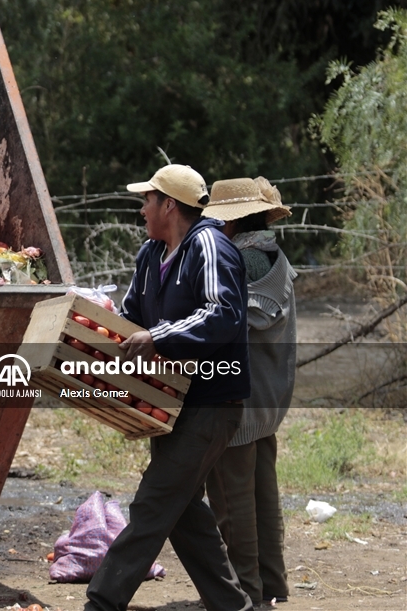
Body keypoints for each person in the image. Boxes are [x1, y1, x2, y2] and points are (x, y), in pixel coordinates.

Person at [84, 164, 253, 611]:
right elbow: (131, 318)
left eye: (147, 200)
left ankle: (100, 603)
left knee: (154, 503)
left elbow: (223, 314)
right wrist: (92, 315)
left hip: (211, 403)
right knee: (182, 512)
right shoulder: (149, 256)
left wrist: (160, 336)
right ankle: (232, 605)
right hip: (171, 404)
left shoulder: (210, 246)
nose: (141, 210)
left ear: (169, 205)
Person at [203, 177, 296, 605]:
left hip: (239, 400)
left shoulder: (240, 262)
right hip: (268, 398)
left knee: (231, 500)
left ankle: (247, 594)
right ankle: (273, 586)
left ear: (231, 222)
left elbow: (224, 322)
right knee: (263, 495)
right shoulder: (273, 257)